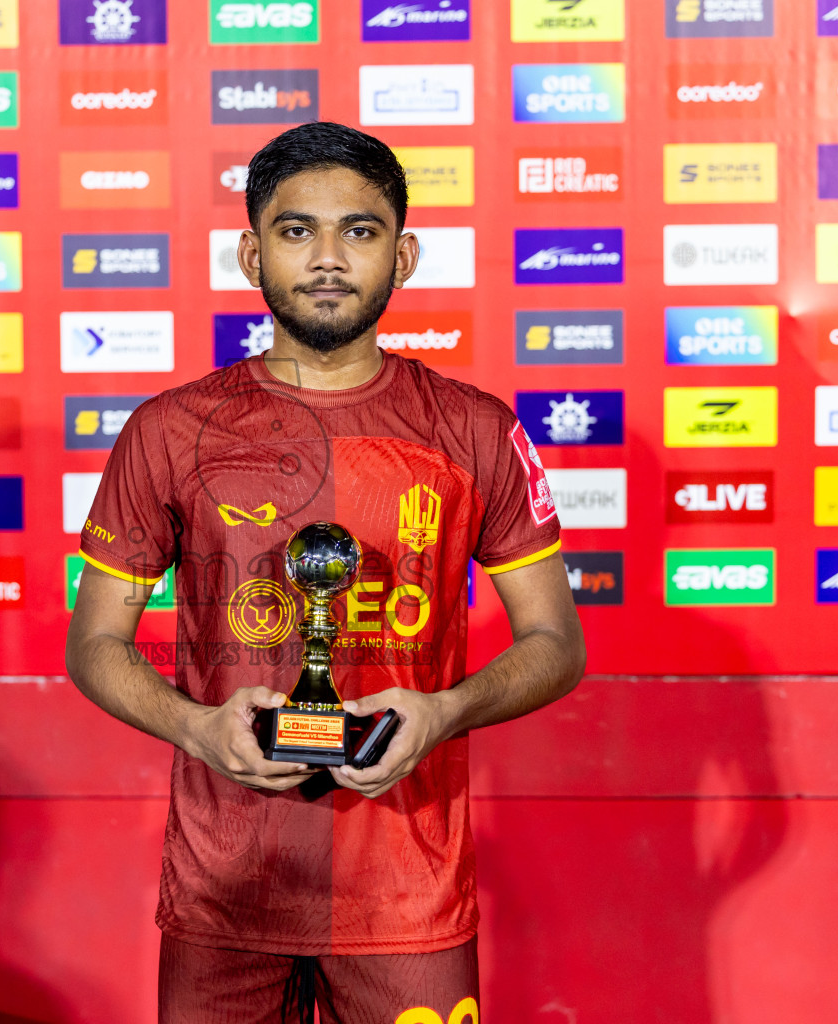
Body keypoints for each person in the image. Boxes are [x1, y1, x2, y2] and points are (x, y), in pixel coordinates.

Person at [64, 121, 586, 1024]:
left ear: (405, 252)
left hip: (408, 901)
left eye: (361, 230)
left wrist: (443, 712)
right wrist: (196, 728)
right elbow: (92, 643)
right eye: (296, 230)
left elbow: (556, 644)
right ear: (250, 252)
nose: (329, 258)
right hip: (224, 894)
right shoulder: (169, 430)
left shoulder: (472, 428)